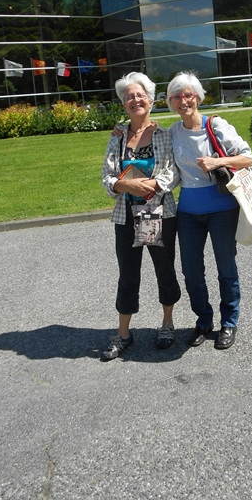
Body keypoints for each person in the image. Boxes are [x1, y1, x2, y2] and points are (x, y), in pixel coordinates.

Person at [167, 72, 252, 350]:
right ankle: (204, 320)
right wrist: (122, 132)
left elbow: (248, 157)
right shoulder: (172, 132)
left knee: (226, 268)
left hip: (222, 210)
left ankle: (229, 322)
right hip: (188, 213)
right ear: (170, 101)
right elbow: (148, 142)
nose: (183, 101)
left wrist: (218, 162)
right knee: (191, 271)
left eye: (188, 95)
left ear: (198, 97)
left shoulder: (215, 125)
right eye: (177, 96)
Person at [101, 72, 181, 360]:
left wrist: (152, 185)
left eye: (140, 95)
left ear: (150, 99)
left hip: (159, 213)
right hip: (126, 217)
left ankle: (167, 324)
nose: (135, 100)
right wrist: (127, 186)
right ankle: (123, 333)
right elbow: (107, 177)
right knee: (127, 274)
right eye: (129, 97)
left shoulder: (165, 135)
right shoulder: (118, 137)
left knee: (165, 270)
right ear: (124, 103)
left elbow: (173, 172)